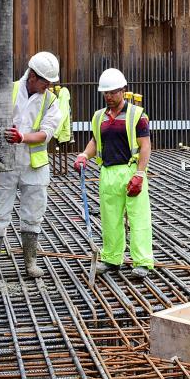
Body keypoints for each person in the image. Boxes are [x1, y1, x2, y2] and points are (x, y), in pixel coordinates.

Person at [0, 51, 62, 281]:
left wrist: (22, 137)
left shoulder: (51, 101)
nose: (48, 86)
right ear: (33, 75)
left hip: (34, 165)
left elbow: (46, 133)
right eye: (46, 82)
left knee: (33, 214)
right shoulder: (6, 89)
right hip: (7, 162)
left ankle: (30, 262)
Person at [74, 68, 153, 279]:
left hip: (130, 170)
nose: (109, 96)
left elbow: (145, 146)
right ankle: (111, 258)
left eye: (113, 92)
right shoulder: (99, 117)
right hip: (107, 173)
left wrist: (140, 174)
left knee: (138, 218)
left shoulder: (137, 115)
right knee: (110, 219)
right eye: (106, 93)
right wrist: (84, 155)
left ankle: (142, 261)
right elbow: (95, 141)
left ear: (123, 90)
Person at [50, 82, 72, 175]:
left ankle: (62, 169)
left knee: (61, 150)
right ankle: (58, 169)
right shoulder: (57, 97)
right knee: (58, 151)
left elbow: (63, 114)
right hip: (58, 127)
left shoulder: (63, 96)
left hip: (60, 128)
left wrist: (56, 132)